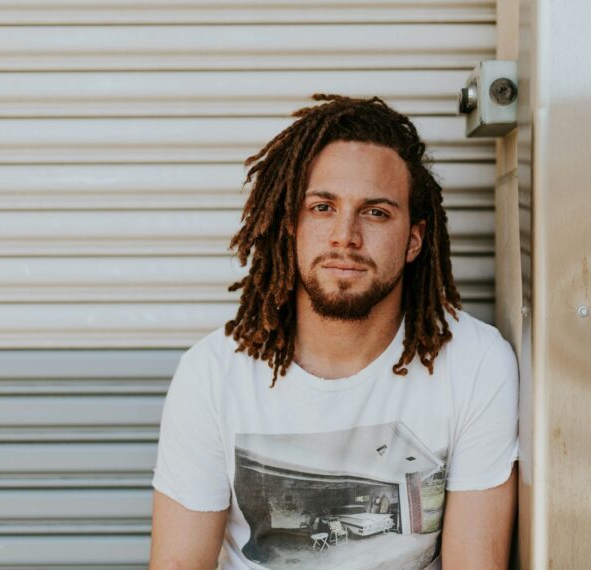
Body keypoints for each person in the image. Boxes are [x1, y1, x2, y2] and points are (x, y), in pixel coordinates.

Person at [149, 94, 519, 570]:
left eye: (376, 212)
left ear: (414, 240)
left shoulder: (476, 364)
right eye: (323, 207)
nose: (346, 235)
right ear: (291, 225)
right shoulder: (212, 374)